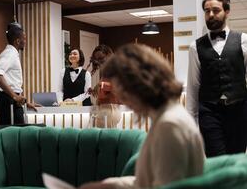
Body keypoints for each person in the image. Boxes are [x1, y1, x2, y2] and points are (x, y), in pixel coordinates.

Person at [80, 44, 205, 189]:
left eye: (122, 90)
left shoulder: (170, 126)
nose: (122, 99)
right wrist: (108, 185)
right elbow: (148, 182)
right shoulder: (165, 118)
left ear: (140, 84)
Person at [186, 0, 247, 157]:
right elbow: (193, 87)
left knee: (237, 160)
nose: (210, 15)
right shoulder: (195, 47)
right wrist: (191, 123)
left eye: (216, 10)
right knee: (216, 160)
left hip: (239, 112)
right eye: (207, 11)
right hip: (209, 113)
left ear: (227, 11)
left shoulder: (243, 41)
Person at [0, 22, 37, 125]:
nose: (25, 41)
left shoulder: (12, 53)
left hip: (10, 99)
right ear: (17, 41)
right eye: (24, 39)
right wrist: (15, 96)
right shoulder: (10, 53)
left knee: (17, 134)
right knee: (12, 137)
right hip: (6, 100)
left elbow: (12, 82)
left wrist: (24, 102)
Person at [86, 45, 120, 128]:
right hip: (103, 109)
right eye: (96, 59)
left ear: (108, 55)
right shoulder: (106, 71)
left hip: (110, 109)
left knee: (107, 138)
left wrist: (101, 85)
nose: (98, 61)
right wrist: (94, 91)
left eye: (101, 58)